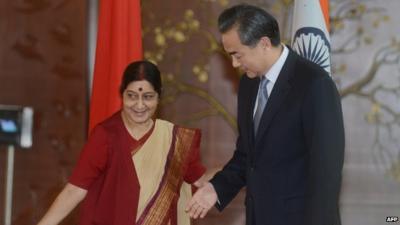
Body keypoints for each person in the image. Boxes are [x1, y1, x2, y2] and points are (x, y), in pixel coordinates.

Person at [186, 3, 345, 225]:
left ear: (264, 44)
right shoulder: (248, 85)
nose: (234, 63)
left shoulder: (313, 83)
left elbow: (326, 171)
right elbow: (248, 156)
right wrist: (216, 188)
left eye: (237, 55)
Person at [37, 60, 206, 225]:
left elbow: (200, 181)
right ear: (121, 93)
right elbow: (74, 190)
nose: (139, 105)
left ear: (158, 96)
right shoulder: (106, 135)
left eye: (147, 97)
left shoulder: (173, 140)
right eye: (132, 96)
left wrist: (229, 175)